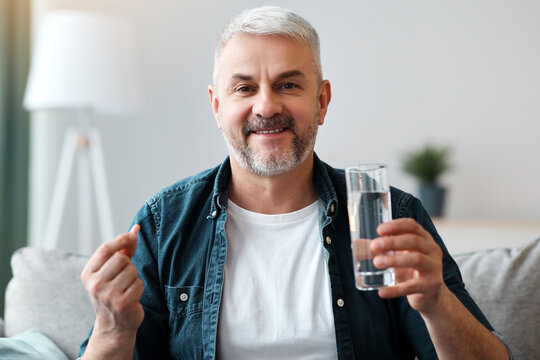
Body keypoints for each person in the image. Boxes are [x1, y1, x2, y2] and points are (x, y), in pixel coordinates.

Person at [79, 6, 519, 360]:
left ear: (322, 100)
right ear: (216, 107)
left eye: (288, 84)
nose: (266, 105)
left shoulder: (388, 215)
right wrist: (110, 330)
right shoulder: (164, 223)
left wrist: (436, 301)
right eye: (244, 88)